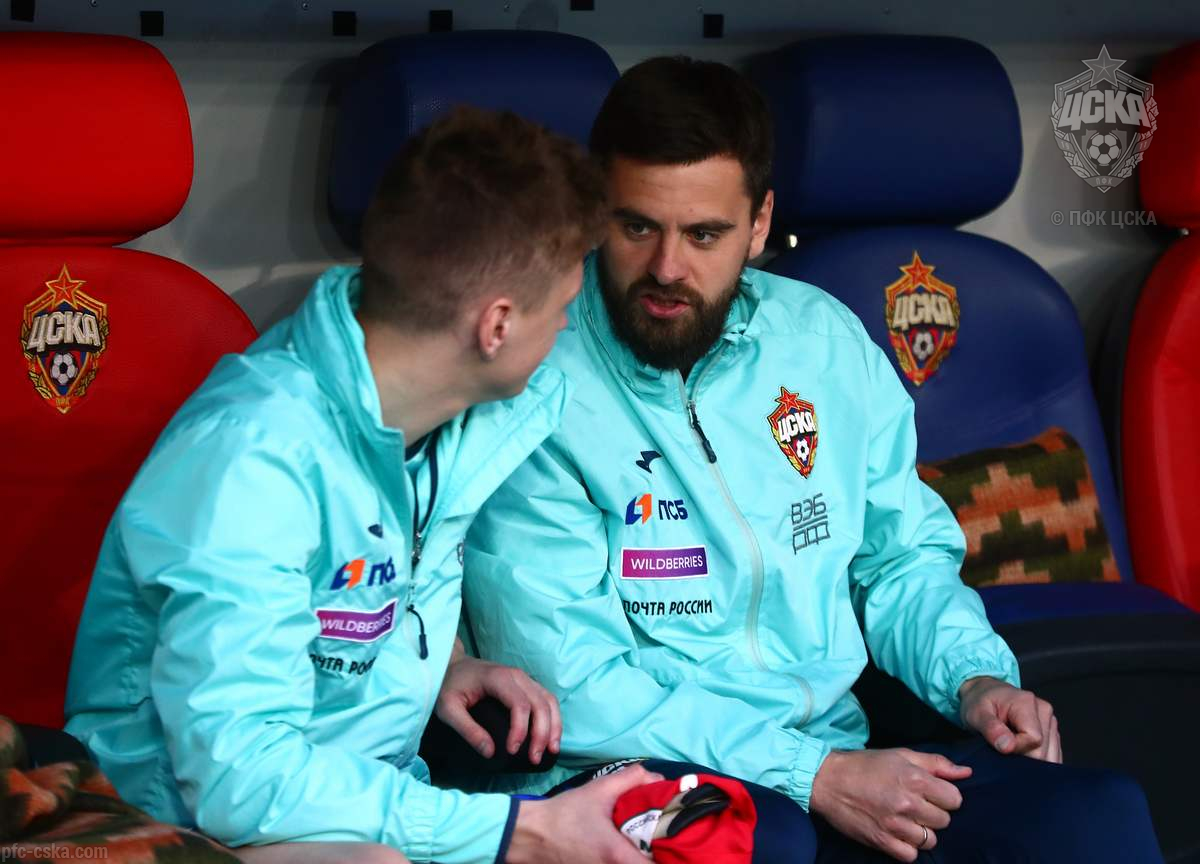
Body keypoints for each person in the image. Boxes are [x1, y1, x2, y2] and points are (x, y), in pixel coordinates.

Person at [462, 58, 1164, 863]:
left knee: (1094, 818)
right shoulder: (536, 378)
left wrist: (975, 680)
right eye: (637, 227)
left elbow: (899, 557)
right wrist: (812, 776)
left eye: (704, 234)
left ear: (759, 223)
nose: (667, 268)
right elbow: (573, 684)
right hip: (628, 774)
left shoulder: (821, 342)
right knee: (771, 842)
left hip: (837, 749)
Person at [65, 105, 660, 864]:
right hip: (175, 825)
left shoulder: (451, 414)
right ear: (497, 326)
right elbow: (239, 779)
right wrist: (523, 832)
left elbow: (367, 586)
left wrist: (442, 666)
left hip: (363, 794)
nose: (567, 330)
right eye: (563, 308)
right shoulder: (253, 458)